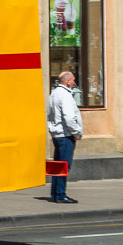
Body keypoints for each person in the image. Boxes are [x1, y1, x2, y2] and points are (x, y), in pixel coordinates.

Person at [47, 71, 83, 203]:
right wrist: (76, 132)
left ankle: (55, 194)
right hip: (66, 135)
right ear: (67, 81)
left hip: (57, 134)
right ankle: (61, 194)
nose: (74, 82)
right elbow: (69, 117)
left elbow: (50, 114)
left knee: (58, 166)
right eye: (73, 80)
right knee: (64, 166)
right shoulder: (66, 95)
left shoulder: (54, 93)